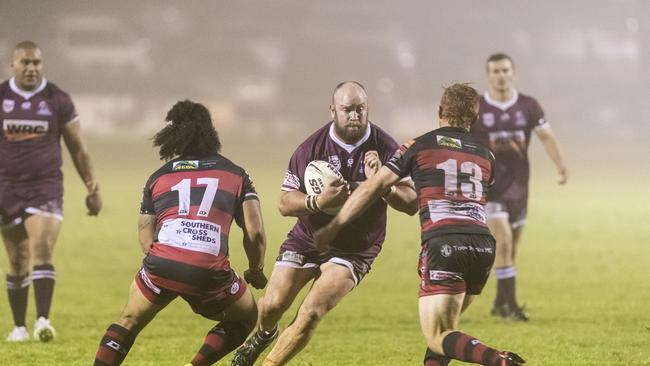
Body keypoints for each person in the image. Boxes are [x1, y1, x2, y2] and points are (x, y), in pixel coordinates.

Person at [315, 83, 526, 366]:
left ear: (439, 112)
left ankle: (498, 360)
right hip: (483, 247)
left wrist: (336, 224)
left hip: (444, 244)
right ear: (473, 120)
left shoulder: (420, 145)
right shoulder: (486, 155)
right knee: (445, 333)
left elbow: (371, 188)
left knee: (438, 335)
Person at [231, 81, 417, 366]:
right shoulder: (311, 148)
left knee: (311, 313)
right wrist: (316, 202)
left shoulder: (386, 147)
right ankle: (263, 336)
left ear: (368, 109)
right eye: (347, 110)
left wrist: (383, 184)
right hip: (308, 238)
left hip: (354, 249)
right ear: (332, 110)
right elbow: (284, 203)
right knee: (271, 306)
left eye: (360, 109)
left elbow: (411, 203)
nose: (354, 115)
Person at [93, 100, 268, 366]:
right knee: (245, 317)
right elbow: (255, 234)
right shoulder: (236, 174)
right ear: (211, 133)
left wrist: (163, 267)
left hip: (161, 262)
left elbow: (144, 233)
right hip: (208, 269)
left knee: (128, 320)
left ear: (173, 135)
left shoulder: (158, 176)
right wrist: (255, 270)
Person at [0, 41, 102, 342]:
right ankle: (19, 326)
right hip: (6, 188)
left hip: (45, 186)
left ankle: (43, 321)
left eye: (36, 63)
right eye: (25, 63)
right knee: (17, 260)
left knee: (41, 248)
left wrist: (91, 185)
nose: (32, 68)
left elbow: (77, 148)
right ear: (13, 65)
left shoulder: (57, 99)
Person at [470, 53, 568, 321]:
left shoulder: (528, 106)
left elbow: (546, 137)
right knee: (503, 242)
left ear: (513, 72)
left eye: (505, 70)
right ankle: (510, 306)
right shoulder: (477, 108)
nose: (500, 76)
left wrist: (560, 165)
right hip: (489, 187)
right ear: (488, 75)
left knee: (511, 249)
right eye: (495, 71)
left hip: (520, 186)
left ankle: (500, 301)